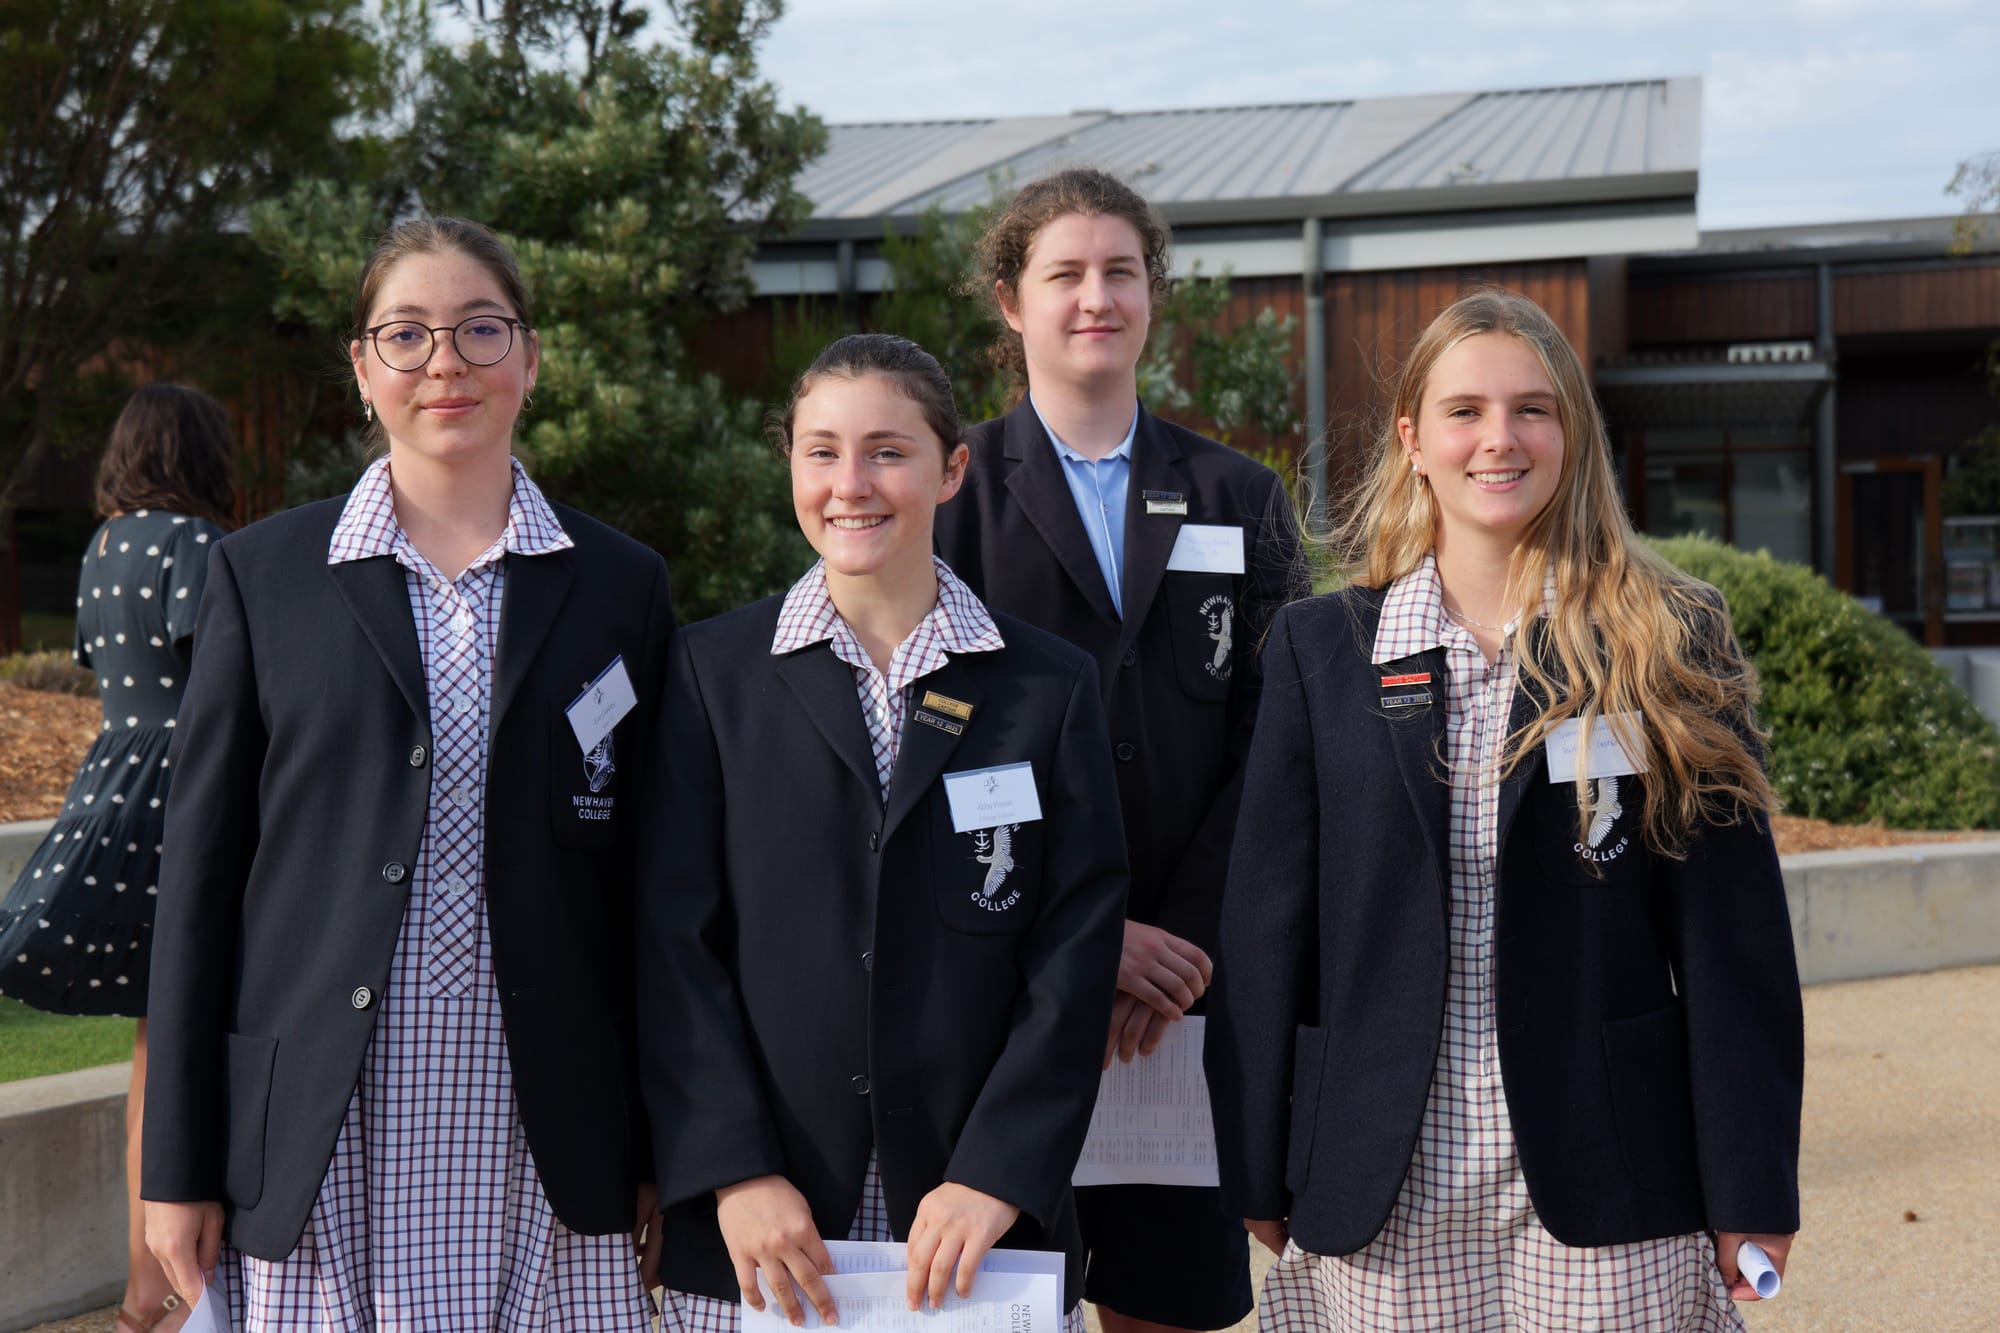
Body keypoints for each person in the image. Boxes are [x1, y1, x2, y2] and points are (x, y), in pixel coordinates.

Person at [1204, 288, 1804, 1331]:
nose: (1499, 438)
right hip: (1379, 1174)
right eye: (1464, 410)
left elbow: (1728, 940)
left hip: (1609, 1169)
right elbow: (1265, 932)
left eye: (1532, 408)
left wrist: (1751, 1187)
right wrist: (1256, 1167)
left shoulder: (1666, 640)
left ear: (1571, 431)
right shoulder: (1322, 651)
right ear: (1413, 439)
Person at [139, 216, 673, 1329]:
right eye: (408, 334)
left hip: (551, 1118)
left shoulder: (622, 586)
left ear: (528, 356)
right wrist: (173, 1164)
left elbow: (658, 897)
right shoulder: (264, 577)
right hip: (323, 1120)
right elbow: (196, 894)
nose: (446, 364)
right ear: (361, 367)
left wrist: (670, 1144)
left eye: (482, 330)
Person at [639, 333, 1127, 1332]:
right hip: (764, 1231)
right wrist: (733, 1170)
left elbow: (1072, 955)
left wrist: (997, 1171)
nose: (849, 483)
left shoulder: (1045, 687)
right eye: (820, 451)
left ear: (951, 469)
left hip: (975, 1231)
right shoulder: (707, 675)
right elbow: (669, 945)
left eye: (886, 451)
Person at [933, 166, 1308, 1333]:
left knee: (1169, 1309)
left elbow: (1275, 740)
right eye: (1063, 274)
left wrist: (1183, 937)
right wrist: (1087, 940)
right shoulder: (945, 499)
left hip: (1184, 1003)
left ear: (1153, 293)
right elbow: (930, 749)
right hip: (1007, 990)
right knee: (994, 1300)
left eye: (1119, 272)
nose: (1093, 297)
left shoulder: (1236, 496)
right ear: (1010, 301)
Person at [0, 383, 236, 1332]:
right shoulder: (197, 547)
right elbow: (220, 680)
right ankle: (163, 1286)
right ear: (201, 456)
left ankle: (145, 1284)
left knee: (153, 1043)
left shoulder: (104, 546)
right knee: (179, 1043)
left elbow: (109, 665)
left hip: (115, 789)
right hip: (188, 795)